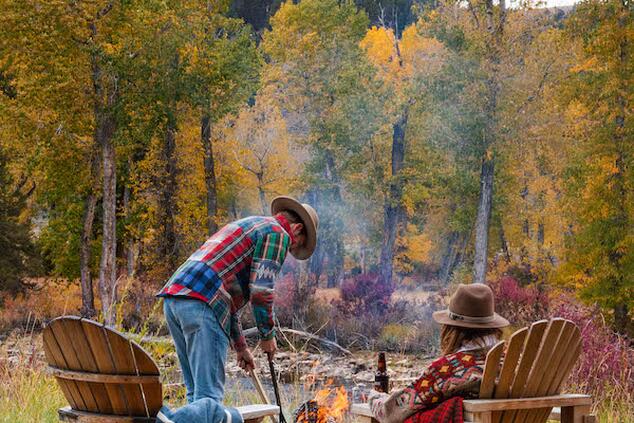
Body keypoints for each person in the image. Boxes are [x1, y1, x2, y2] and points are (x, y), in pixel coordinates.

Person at [156, 196, 319, 423]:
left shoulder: (251, 224)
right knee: (209, 399)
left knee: (197, 399)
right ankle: (166, 418)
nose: (290, 250)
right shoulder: (279, 234)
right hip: (204, 303)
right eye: (297, 244)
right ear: (297, 228)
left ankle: (172, 418)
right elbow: (261, 291)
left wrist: (241, 347)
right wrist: (267, 335)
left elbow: (226, 293)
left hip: (176, 299)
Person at [368, 283, 510, 423]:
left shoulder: (449, 369)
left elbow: (392, 412)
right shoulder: (510, 364)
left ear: (452, 330)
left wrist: (374, 397)